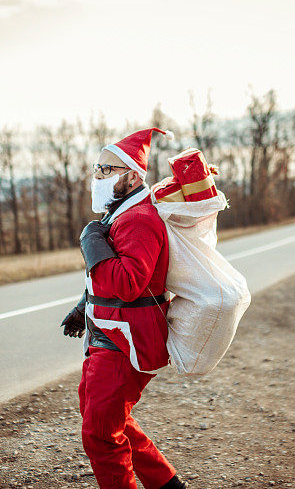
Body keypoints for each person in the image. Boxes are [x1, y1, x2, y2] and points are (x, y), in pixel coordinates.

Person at [60, 128, 187, 489]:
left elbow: (130, 282)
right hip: (109, 332)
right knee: (105, 418)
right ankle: (167, 485)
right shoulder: (120, 213)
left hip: (125, 341)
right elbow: (111, 278)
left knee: (101, 432)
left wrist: (90, 241)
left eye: (106, 170)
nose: (96, 177)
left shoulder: (139, 219)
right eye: (97, 168)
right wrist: (83, 306)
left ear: (132, 176)